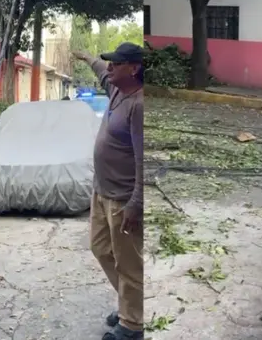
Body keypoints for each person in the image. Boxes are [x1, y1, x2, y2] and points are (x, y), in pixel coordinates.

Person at [72, 42, 144, 340]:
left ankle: (133, 326)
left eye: (117, 63)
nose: (110, 67)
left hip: (123, 199)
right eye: (110, 62)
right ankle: (133, 306)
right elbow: (102, 71)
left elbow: (144, 161)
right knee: (101, 249)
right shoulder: (116, 89)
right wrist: (89, 57)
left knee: (129, 263)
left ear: (135, 69)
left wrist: (136, 203)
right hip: (102, 192)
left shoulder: (139, 105)